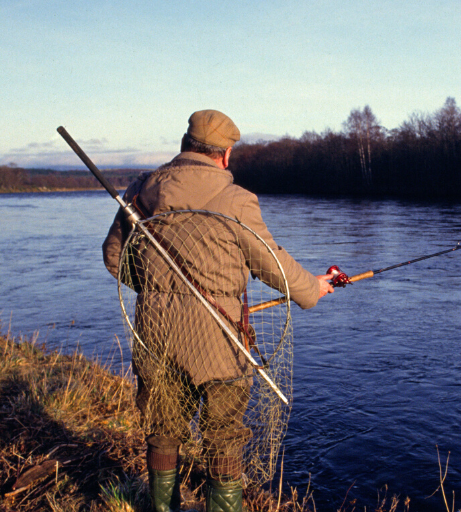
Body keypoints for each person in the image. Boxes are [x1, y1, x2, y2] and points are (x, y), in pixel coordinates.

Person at [102, 110, 333, 512]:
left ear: (184, 145)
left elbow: (114, 258)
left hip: (155, 333)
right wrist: (313, 288)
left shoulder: (140, 192)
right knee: (224, 437)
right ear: (225, 155)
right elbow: (272, 264)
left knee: (162, 430)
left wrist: (159, 290)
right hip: (221, 343)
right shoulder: (236, 200)